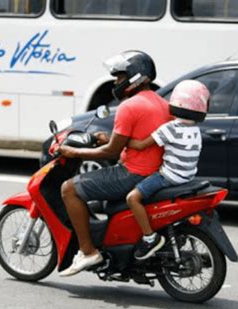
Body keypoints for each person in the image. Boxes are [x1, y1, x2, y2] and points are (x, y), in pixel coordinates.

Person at [57, 50, 172, 277]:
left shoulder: (129, 107)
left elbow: (111, 151)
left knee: (69, 189)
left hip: (133, 174)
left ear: (134, 77)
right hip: (154, 172)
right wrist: (108, 138)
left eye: (119, 77)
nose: (117, 82)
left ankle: (88, 251)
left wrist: (73, 151)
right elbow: (140, 140)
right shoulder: (161, 103)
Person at [126, 80, 211, 260]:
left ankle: (149, 238)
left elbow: (141, 145)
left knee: (132, 198)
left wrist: (123, 140)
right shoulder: (195, 130)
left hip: (168, 177)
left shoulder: (170, 128)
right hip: (187, 177)